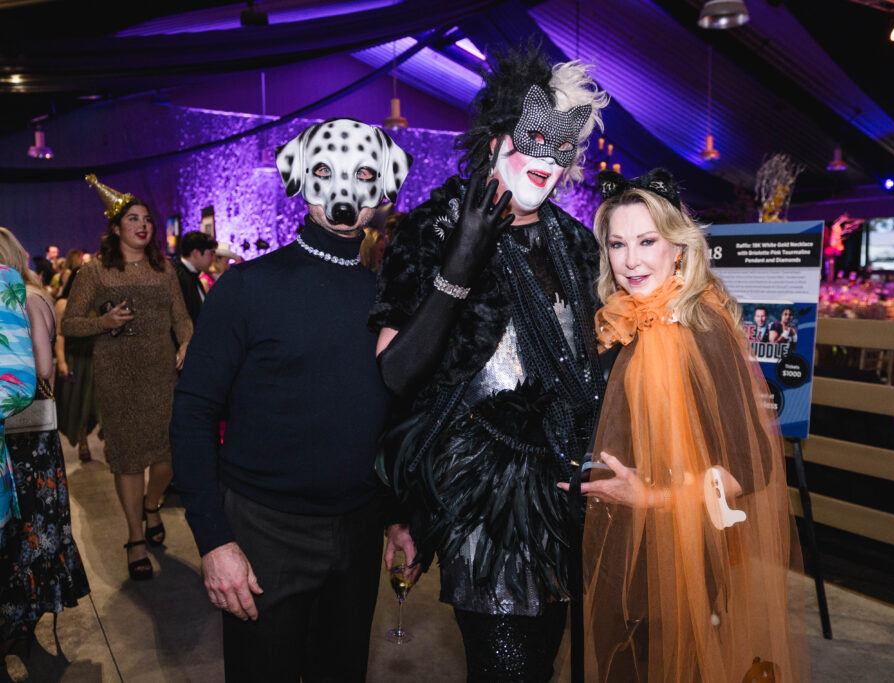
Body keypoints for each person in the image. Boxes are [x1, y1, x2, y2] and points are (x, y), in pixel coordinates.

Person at [371, 48, 609, 681]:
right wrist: (461, 263)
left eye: (561, 148)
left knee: (543, 658)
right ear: (498, 133)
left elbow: (595, 362)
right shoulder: (433, 227)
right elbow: (394, 374)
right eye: (532, 137)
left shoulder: (574, 242)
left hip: (562, 485)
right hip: (478, 490)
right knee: (504, 663)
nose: (545, 159)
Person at [170, 117, 416, 683]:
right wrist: (213, 540)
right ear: (300, 178)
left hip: (356, 535)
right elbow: (193, 413)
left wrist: (399, 515)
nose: (343, 190)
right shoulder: (247, 288)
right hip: (262, 535)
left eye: (362, 173)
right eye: (326, 172)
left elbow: (391, 415)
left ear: (383, 188)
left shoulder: (387, 299)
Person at [561, 169, 804, 682]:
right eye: (617, 243)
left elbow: (753, 468)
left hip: (679, 555)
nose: (631, 260)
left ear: (679, 246)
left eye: (647, 241)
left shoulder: (702, 327)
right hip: (620, 541)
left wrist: (648, 499)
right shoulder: (624, 319)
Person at [62, 174, 193, 581]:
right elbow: (69, 324)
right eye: (133, 219)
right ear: (116, 228)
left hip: (161, 373)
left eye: (147, 219)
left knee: (169, 455)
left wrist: (187, 344)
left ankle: (152, 505)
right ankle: (135, 534)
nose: (142, 225)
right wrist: (102, 321)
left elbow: (182, 319)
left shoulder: (164, 269)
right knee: (128, 458)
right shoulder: (95, 272)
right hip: (117, 374)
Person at [0, 228, 90, 657]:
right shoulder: (31, 294)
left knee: (29, 522)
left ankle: (22, 615)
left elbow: (38, 368)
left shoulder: (27, 301)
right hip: (32, 431)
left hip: (25, 431)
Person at [54, 266, 100, 462]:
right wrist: (62, 362)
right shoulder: (64, 304)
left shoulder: (98, 304)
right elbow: (59, 335)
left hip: (96, 360)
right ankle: (83, 441)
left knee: (96, 406)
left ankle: (104, 442)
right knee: (78, 405)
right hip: (75, 360)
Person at [174, 231, 218, 325]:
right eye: (211, 253)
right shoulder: (178, 277)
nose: (214, 259)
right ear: (196, 253)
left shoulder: (193, 275)